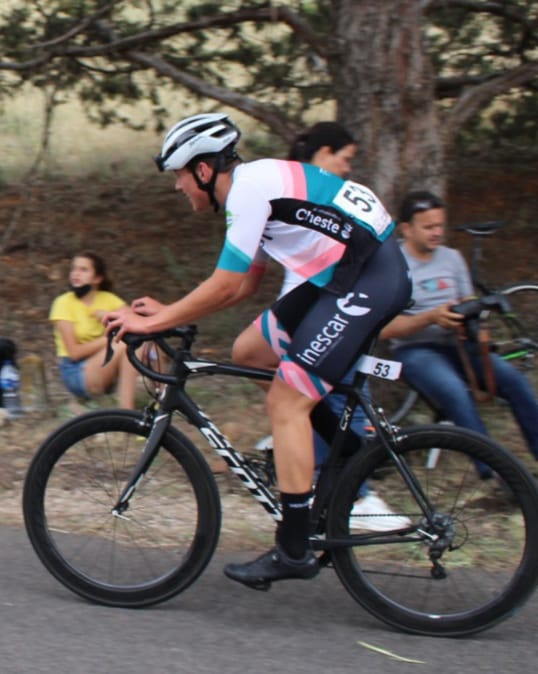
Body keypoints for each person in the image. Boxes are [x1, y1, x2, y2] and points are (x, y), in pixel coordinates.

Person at [102, 112, 412, 589]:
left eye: (180, 175)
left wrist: (153, 322)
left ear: (203, 170)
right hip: (345, 274)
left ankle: (293, 549)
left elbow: (226, 285)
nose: (178, 186)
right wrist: (170, 312)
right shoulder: (252, 187)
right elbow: (245, 283)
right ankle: (350, 448)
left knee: (286, 402)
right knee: (250, 350)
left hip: (368, 276)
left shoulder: (248, 192)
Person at [231, 121, 401, 530]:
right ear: (323, 153)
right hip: (316, 306)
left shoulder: (311, 192)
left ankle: (355, 498)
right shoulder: (284, 193)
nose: (347, 167)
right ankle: (337, 478)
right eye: (345, 158)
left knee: (317, 405)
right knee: (251, 358)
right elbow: (244, 281)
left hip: (336, 307)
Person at [380, 190, 538, 487]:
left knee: (514, 380)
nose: (437, 232)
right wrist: (430, 318)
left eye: (440, 225)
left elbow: (468, 299)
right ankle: (495, 475)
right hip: (416, 349)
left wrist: (474, 322)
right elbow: (384, 328)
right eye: (428, 227)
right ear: (406, 228)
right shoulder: (392, 265)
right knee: (455, 391)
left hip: (460, 342)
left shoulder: (452, 258)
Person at [49, 251, 138, 410]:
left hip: (105, 366)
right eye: (74, 269)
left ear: (97, 278)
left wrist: (110, 316)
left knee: (144, 342)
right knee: (124, 343)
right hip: (76, 371)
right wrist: (110, 336)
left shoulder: (108, 299)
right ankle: (127, 411)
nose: (76, 273)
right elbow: (74, 353)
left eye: (83, 270)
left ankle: (163, 399)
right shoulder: (63, 303)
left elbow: (136, 323)